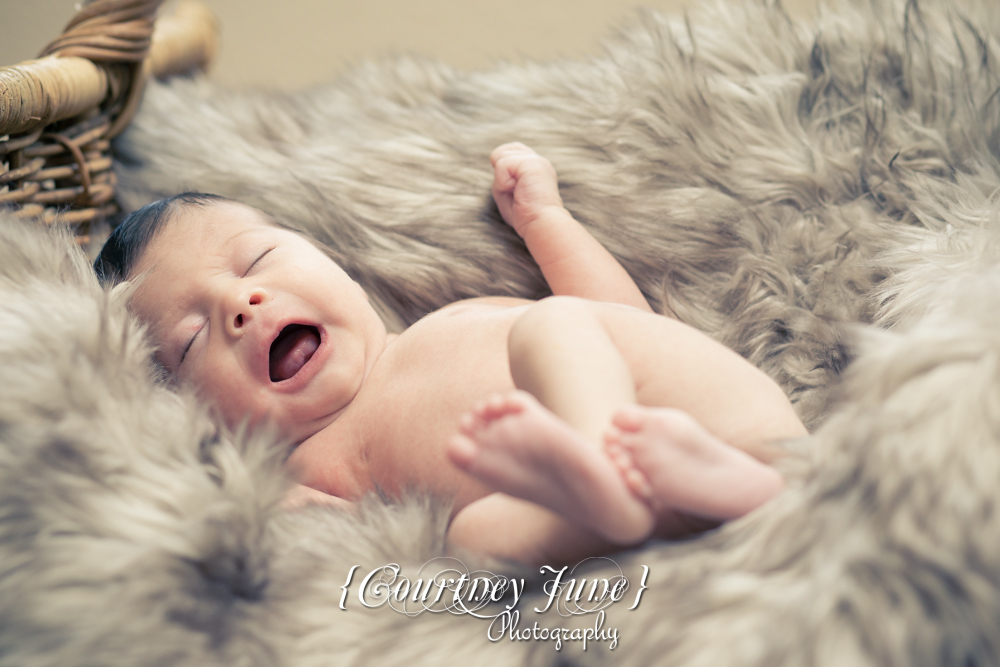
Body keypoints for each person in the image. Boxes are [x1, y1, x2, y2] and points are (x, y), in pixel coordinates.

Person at [94, 143, 806, 565]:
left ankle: (603, 456)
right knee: (471, 536)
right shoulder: (303, 465)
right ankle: (701, 492)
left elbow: (617, 320)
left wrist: (544, 221)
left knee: (553, 327)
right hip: (679, 488)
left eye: (258, 259)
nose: (239, 305)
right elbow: (330, 541)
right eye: (191, 341)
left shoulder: (448, 324)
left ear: (334, 263)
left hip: (687, 400)